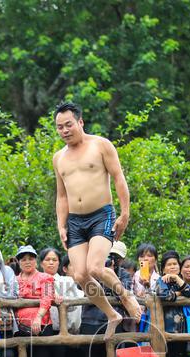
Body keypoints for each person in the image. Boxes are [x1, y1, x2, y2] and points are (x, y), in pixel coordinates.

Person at [52, 101, 141, 339]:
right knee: (80, 274)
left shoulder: (101, 145)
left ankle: (126, 295)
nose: (64, 131)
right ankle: (112, 313)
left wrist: (125, 213)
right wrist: (61, 225)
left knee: (95, 267)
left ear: (80, 122)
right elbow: (61, 195)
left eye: (68, 124)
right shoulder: (58, 157)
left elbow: (119, 178)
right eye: (59, 127)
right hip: (75, 221)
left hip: (102, 214)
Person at [14, 245, 55, 357]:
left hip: (41, 326)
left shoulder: (46, 277)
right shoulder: (13, 280)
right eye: (23, 259)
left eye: (30, 258)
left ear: (36, 261)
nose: (27, 262)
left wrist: (38, 316)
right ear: (19, 262)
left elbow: (48, 296)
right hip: (19, 329)